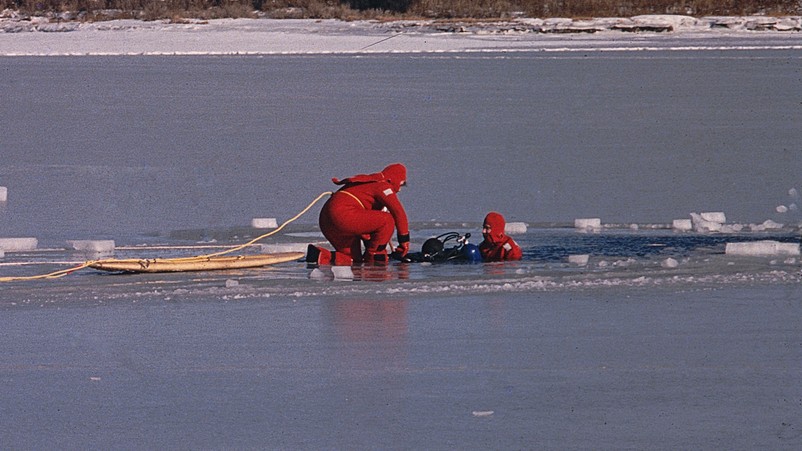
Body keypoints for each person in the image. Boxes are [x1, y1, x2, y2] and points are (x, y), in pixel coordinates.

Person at [308, 163, 411, 265]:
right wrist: (404, 243)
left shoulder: (367, 183)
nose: (400, 189)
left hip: (327, 220)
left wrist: (370, 239)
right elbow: (398, 213)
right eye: (401, 184)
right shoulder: (383, 186)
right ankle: (375, 257)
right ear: (393, 180)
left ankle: (322, 255)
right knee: (387, 220)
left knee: (352, 259)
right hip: (342, 215)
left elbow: (364, 224)